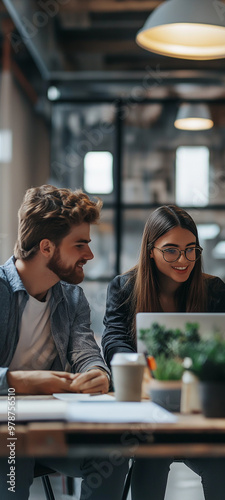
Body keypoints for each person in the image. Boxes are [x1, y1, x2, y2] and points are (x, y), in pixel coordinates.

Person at [0, 184, 129, 500]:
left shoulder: (72, 298)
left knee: (113, 454)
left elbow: (85, 349)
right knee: (13, 466)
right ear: (47, 247)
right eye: (80, 244)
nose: (90, 254)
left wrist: (97, 372)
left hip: (51, 428)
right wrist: (21, 381)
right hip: (7, 430)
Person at [101, 204, 225, 500]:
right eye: (171, 250)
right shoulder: (125, 288)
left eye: (191, 250)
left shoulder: (215, 292)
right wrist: (143, 369)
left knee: (220, 465)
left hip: (199, 412)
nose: (183, 260)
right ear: (151, 249)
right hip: (148, 412)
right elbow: (113, 341)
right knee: (152, 456)